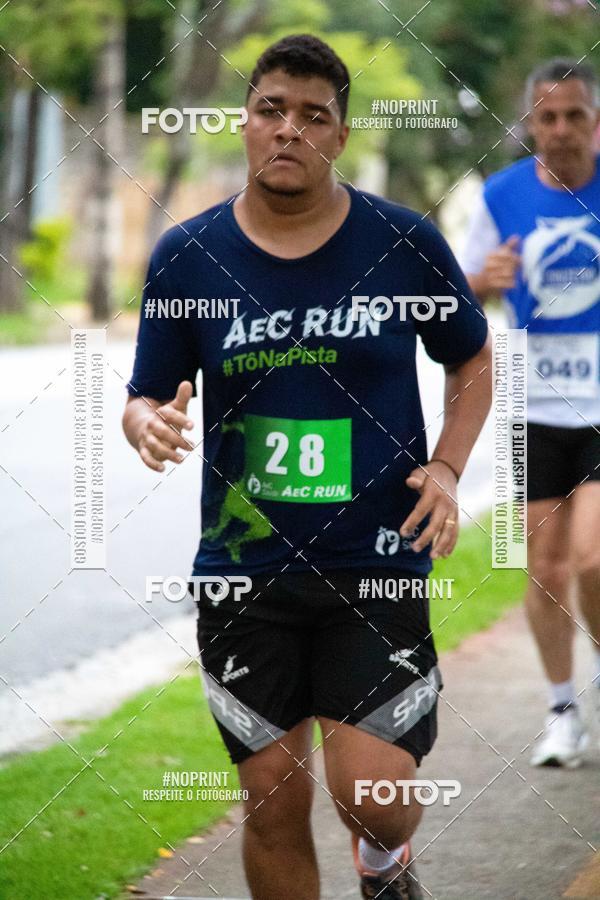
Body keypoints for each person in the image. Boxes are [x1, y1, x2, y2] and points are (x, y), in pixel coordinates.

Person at [123, 34, 491, 900]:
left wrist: (446, 469)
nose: (289, 129)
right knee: (271, 804)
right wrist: (147, 423)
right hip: (242, 576)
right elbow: (144, 393)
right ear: (245, 123)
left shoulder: (403, 244)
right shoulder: (188, 255)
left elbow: (470, 360)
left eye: (313, 116)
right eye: (271, 110)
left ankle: (384, 860)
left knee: (374, 799)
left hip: (375, 566)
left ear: (339, 134)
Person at [461, 58, 600, 769]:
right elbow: (457, 296)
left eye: (574, 114)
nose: (560, 129)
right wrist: (483, 281)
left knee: (594, 556)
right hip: (531, 404)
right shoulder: (500, 195)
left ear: (595, 121)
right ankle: (562, 710)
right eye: (547, 117)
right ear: (529, 127)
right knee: (543, 568)